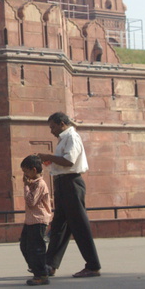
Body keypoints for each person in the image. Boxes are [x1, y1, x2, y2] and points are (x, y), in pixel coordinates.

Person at [37, 112, 101, 278]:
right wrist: (51, 160)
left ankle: (93, 266)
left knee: (79, 225)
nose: (51, 131)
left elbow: (70, 161)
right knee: (59, 226)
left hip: (71, 183)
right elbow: (63, 161)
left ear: (61, 124)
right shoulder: (64, 138)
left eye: (52, 127)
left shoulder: (72, 137)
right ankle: (49, 264)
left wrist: (49, 156)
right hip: (63, 183)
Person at [19, 155, 52, 286]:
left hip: (38, 221)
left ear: (33, 170)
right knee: (25, 247)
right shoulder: (33, 183)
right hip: (30, 221)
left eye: (26, 172)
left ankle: (41, 274)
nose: (24, 175)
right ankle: (37, 268)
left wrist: (26, 186)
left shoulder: (39, 184)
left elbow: (31, 201)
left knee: (37, 249)